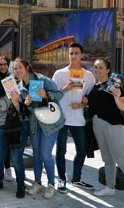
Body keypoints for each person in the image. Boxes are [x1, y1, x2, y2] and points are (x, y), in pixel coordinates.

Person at [14, 58, 64, 199]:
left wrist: (47, 95)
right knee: (36, 154)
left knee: (46, 155)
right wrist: (27, 103)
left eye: (20, 67)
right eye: (15, 69)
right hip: (35, 125)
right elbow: (26, 110)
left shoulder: (42, 80)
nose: (17, 71)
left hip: (50, 124)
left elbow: (60, 94)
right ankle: (37, 182)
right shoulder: (20, 88)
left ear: (27, 68)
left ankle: (51, 184)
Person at [52, 43, 95, 192]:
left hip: (78, 118)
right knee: (61, 150)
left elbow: (90, 96)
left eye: (76, 53)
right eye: (71, 53)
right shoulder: (59, 73)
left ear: (82, 55)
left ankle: (76, 178)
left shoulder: (89, 76)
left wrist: (83, 104)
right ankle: (61, 179)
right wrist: (65, 89)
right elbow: (52, 95)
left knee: (82, 149)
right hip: (62, 118)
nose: (73, 56)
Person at [85, 58, 124, 196]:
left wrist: (117, 97)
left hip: (113, 124)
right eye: (96, 67)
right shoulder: (94, 87)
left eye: (101, 67)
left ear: (108, 70)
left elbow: (122, 107)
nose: (98, 70)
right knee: (107, 158)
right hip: (97, 125)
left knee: (121, 158)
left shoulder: (116, 86)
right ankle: (110, 187)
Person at [0, 56, 13, 181]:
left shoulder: (12, 78)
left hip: (10, 116)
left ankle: (8, 168)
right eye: (0, 64)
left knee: (8, 145)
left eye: (4, 64)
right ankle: (0, 169)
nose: (2, 66)